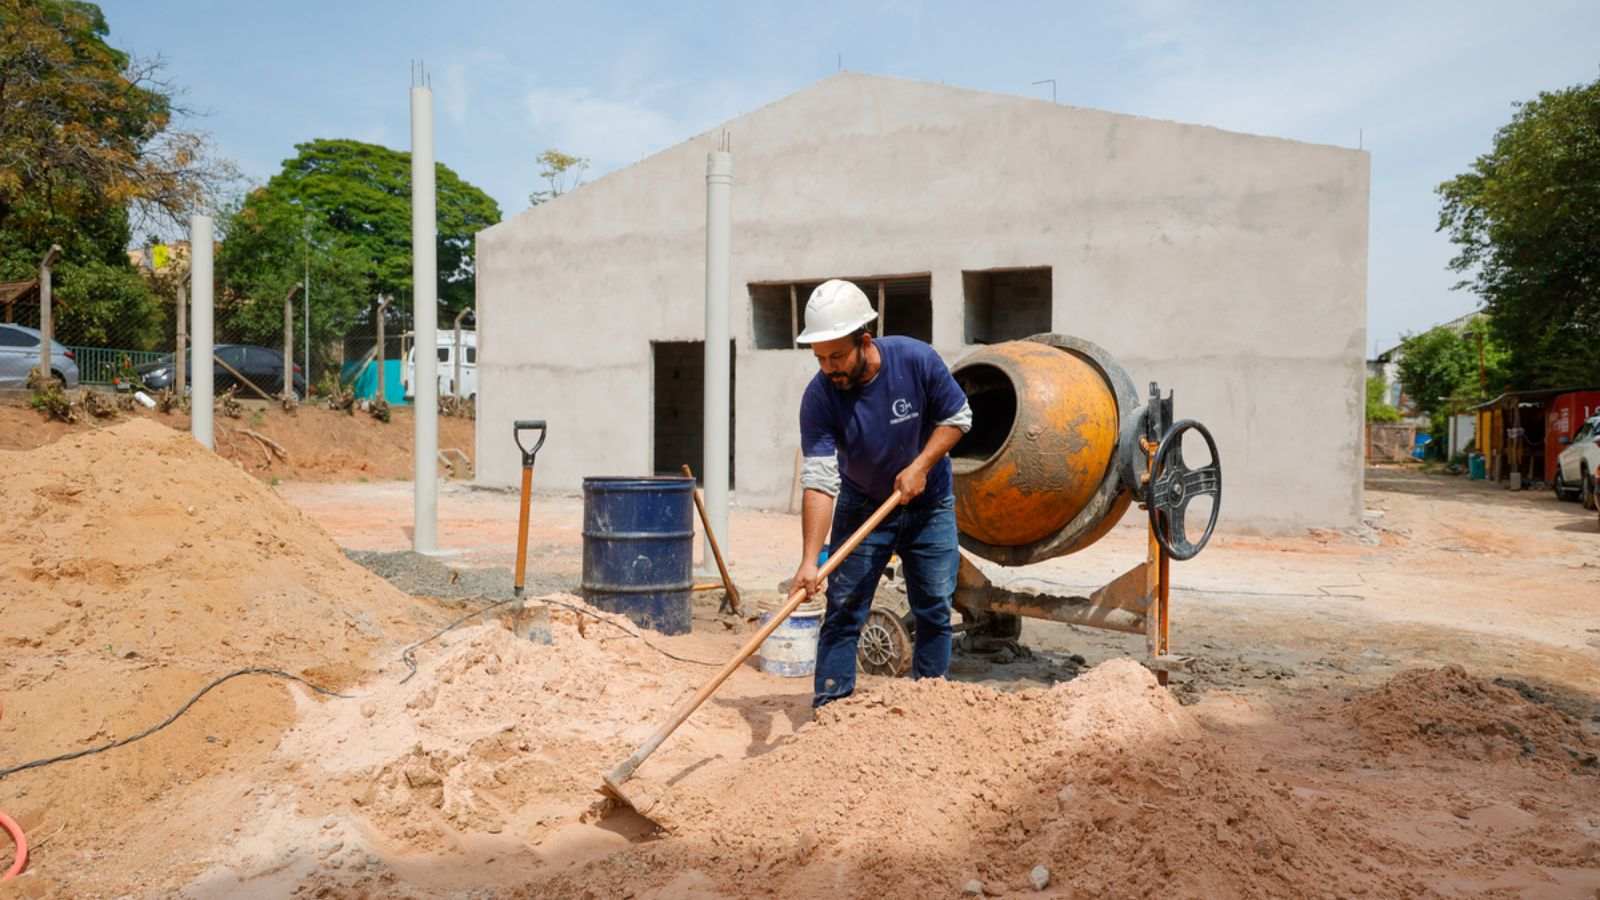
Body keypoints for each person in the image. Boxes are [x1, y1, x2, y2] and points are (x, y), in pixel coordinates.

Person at [792, 279, 972, 707]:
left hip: (930, 504)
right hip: (862, 504)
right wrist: (808, 559)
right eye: (820, 358)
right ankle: (830, 708)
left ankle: (927, 704)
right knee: (844, 609)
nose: (829, 367)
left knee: (933, 607)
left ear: (864, 340)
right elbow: (819, 479)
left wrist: (920, 465)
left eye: (837, 356)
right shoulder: (819, 398)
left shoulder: (915, 360)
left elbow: (959, 417)